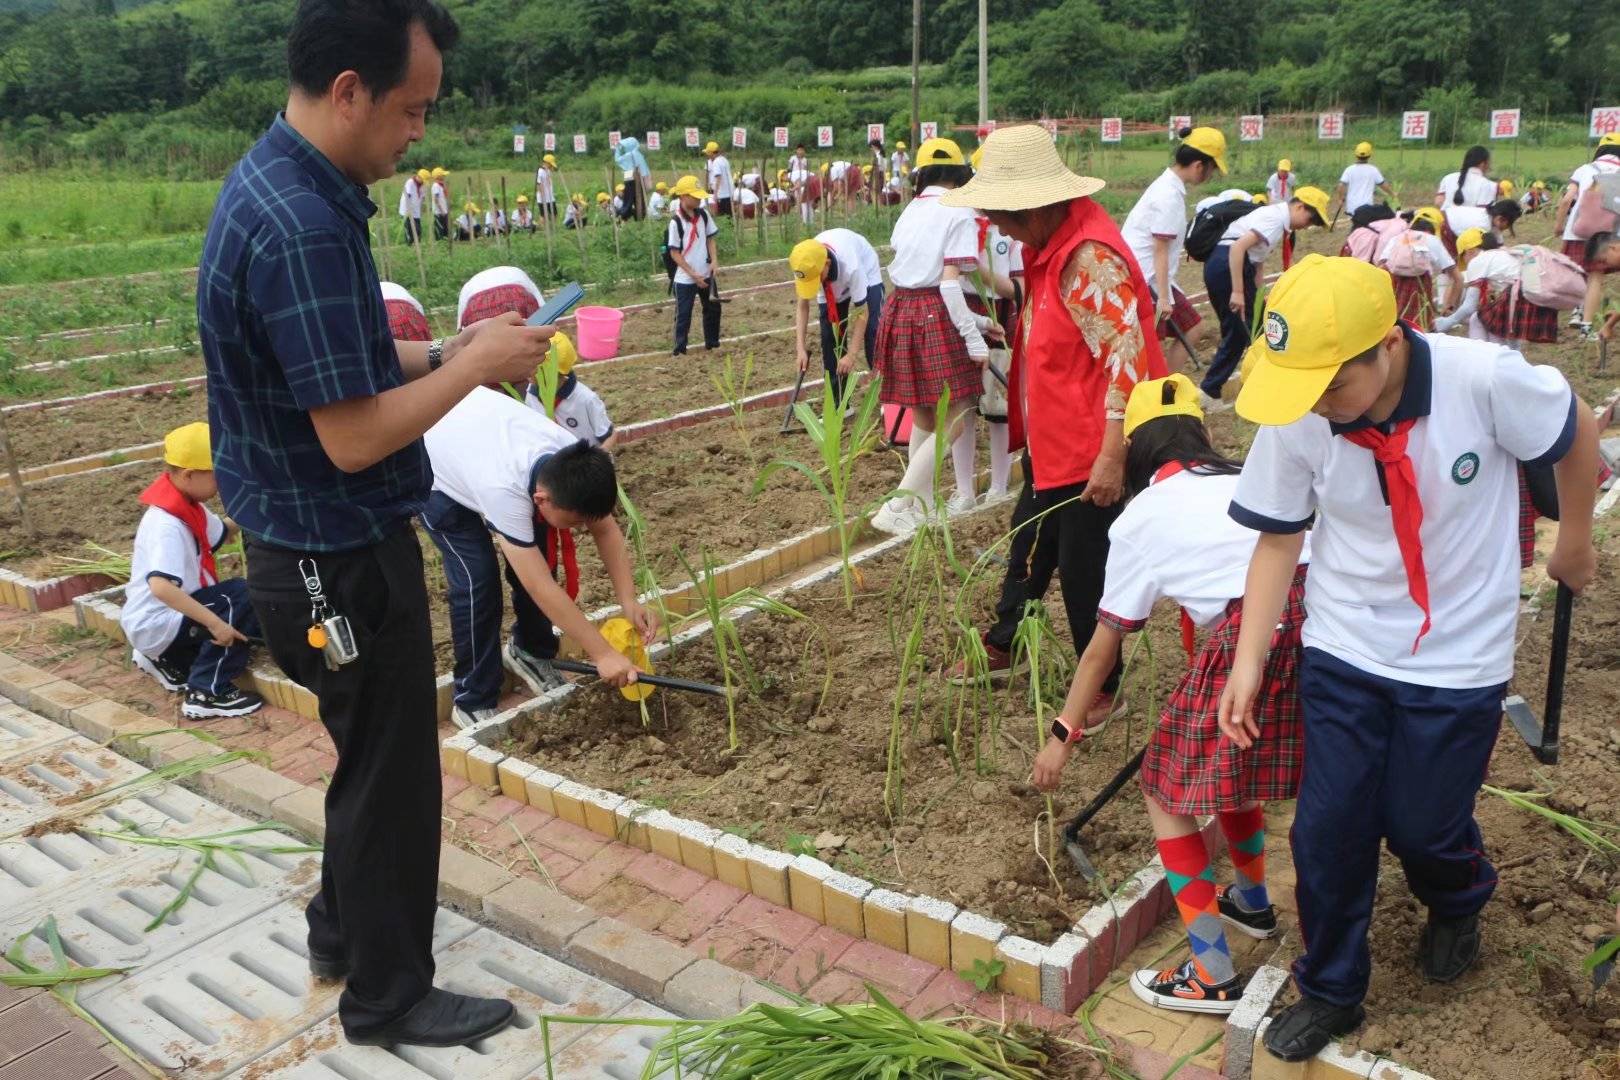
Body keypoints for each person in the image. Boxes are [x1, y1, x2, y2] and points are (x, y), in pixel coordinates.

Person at [198, 0, 560, 1048]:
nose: (418, 133)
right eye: (413, 109)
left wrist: (449, 351)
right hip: (336, 556)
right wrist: (475, 372)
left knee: (367, 757)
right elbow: (354, 435)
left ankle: (339, 932)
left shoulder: (285, 181)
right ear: (350, 90)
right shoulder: (304, 225)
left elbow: (345, 360)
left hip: (305, 544)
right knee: (393, 773)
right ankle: (388, 996)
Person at [1221, 254, 1598, 1062]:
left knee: (1424, 825)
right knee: (1327, 830)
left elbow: (1576, 429)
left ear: (1389, 343)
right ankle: (1331, 987)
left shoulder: (1482, 380)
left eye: (1334, 386)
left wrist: (1574, 538)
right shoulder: (1299, 406)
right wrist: (1248, 660)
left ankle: (1458, 896)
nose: (1318, 404)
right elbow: (1279, 537)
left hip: (1459, 653)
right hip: (1345, 641)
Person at [1033, 374, 1310, 1014]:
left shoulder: (1141, 517)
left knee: (1164, 789)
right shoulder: (1245, 476)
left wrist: (1061, 737)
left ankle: (1211, 971)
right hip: (1326, 626)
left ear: (1133, 449)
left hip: (1252, 633)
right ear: (1199, 433)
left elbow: (1102, 648)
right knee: (1234, 758)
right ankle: (1252, 901)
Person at [939, 124, 1169, 720]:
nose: (998, 227)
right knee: (1031, 543)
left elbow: (1128, 362)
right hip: (1056, 440)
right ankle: (1006, 640)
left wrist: (1112, 454)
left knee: (1085, 566)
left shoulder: (1089, 259)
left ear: (1034, 206)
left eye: (1002, 216)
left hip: (1093, 446)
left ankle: (1105, 686)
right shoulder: (1051, 247)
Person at [422, 386, 649, 726]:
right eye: (574, 522)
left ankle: (530, 651)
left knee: (541, 554)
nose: (580, 530)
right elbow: (538, 585)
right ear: (541, 499)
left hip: (476, 437)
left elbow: (605, 529)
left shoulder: (572, 461)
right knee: (478, 578)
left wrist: (628, 600)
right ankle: (472, 697)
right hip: (436, 470)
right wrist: (602, 653)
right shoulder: (503, 490)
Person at [869, 136, 998, 531]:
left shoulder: (912, 209)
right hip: (933, 311)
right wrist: (974, 339)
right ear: (960, 173)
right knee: (959, 412)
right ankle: (897, 505)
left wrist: (979, 324)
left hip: (901, 308)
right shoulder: (959, 211)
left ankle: (920, 506)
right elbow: (948, 285)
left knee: (925, 411)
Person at [123, 422, 265, 720]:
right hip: (156, 620)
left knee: (242, 609)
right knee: (238, 599)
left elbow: (222, 532)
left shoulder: (185, 505)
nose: (222, 483)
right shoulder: (166, 525)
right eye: (217, 475)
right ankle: (207, 691)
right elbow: (161, 587)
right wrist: (216, 624)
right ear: (189, 475)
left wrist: (256, 507)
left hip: (163, 618)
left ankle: (167, 658)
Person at [1202, 187, 1331, 407]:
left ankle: (1264, 379)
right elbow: (1237, 248)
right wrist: (1238, 291)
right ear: (1300, 207)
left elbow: (1257, 263)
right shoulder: (1274, 219)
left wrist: (1260, 296)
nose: (1308, 226)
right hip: (1227, 265)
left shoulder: (1276, 221)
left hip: (1233, 267)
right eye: (1311, 219)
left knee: (1257, 327)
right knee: (1239, 332)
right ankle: (1210, 391)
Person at [1121, 126, 1224, 374]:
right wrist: (1164, 299)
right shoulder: (1168, 195)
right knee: (1154, 344)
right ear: (1199, 165)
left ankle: (1165, 384)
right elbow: (1160, 249)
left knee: (1189, 329)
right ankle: (1161, 389)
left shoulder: (1169, 187)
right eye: (1212, 169)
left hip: (1150, 276)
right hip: (1146, 280)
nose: (1211, 175)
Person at [790, 231, 885, 407]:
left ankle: (886, 395)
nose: (815, 284)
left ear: (826, 264)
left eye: (817, 279)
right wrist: (800, 349)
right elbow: (802, 305)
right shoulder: (805, 264)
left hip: (866, 271)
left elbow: (862, 312)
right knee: (829, 340)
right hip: (832, 284)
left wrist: (851, 355)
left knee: (874, 332)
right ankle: (839, 405)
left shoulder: (852, 266)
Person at [1434, 228, 1563, 346]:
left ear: (1469, 251)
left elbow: (1469, 306)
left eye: (1464, 259)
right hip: (1538, 297)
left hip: (1521, 297)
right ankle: (1504, 356)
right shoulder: (1503, 253)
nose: (1466, 264)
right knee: (1491, 323)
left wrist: (1447, 322)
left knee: (1480, 320)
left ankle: (1483, 355)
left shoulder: (1478, 261)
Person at [1553, 135, 1620, 336]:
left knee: (1572, 273)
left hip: (1577, 229)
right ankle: (1586, 327)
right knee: (1595, 279)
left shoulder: (1585, 169)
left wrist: (1558, 225)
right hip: (1608, 234)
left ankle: (1569, 313)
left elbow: (1566, 200)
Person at [524, 332, 616, 449]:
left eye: (534, 367)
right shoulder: (531, 394)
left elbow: (610, 436)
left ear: (553, 372)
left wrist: (596, 457)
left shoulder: (585, 399)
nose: (528, 371)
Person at [1377, 207, 1459, 330]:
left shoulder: (1396, 238)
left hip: (1393, 287)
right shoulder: (1432, 240)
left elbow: (1380, 266)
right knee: (1419, 326)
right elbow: (1458, 279)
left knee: (1393, 324)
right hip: (1419, 289)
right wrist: (1449, 306)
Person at [667, 175, 721, 355]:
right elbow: (674, 253)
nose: (699, 200)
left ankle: (712, 344)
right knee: (683, 314)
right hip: (685, 278)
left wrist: (714, 260)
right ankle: (679, 350)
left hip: (706, 273)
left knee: (713, 308)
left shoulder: (704, 215)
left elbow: (710, 239)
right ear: (683, 196)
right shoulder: (676, 222)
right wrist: (692, 274)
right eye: (695, 196)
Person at [1436, 145, 1496, 255]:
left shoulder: (1448, 178)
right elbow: (1484, 216)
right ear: (1483, 164)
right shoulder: (1489, 185)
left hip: (1444, 228)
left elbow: (1438, 201)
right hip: (1469, 236)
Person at [458, 266, 542, 334]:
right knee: (536, 333)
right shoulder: (517, 273)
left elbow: (460, 332)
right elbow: (544, 312)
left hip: (476, 303)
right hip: (516, 293)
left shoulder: (468, 286)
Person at [1333, 142, 1393, 221]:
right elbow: (1383, 185)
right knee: (1365, 225)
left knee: (1355, 224)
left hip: (1352, 206)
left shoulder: (1349, 169)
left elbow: (1341, 185)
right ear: (1369, 155)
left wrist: (1340, 199)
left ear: (1356, 154)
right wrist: (1392, 194)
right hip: (1366, 208)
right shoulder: (1373, 170)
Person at [1267, 158, 1297, 267]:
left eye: (1286, 171)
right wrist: (1270, 202)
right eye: (1282, 170)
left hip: (1287, 204)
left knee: (1291, 229)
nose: (1284, 173)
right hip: (1276, 204)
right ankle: (1269, 247)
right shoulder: (1273, 179)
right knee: (1274, 228)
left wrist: (1293, 202)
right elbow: (1269, 192)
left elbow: (1293, 189)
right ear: (1278, 169)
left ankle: (1290, 251)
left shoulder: (1292, 178)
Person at [703, 141, 735, 216]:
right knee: (729, 215)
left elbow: (718, 177)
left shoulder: (716, 162)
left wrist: (715, 194)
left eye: (708, 153)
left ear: (711, 153)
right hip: (729, 192)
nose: (707, 156)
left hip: (722, 194)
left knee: (723, 216)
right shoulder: (724, 160)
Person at [398, 166, 426, 243]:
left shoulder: (423, 185)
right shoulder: (410, 182)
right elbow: (408, 196)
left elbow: (423, 197)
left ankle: (417, 244)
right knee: (409, 229)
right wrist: (409, 209)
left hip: (416, 210)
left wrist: (422, 207)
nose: (423, 182)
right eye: (423, 180)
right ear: (419, 177)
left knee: (418, 229)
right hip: (407, 209)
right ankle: (409, 244)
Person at [534, 153, 557, 220]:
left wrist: (550, 168)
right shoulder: (540, 171)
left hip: (550, 197)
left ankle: (552, 225)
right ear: (546, 163)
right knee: (543, 215)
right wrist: (542, 195)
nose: (551, 166)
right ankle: (543, 226)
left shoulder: (548, 170)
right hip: (543, 198)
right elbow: (538, 184)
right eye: (550, 164)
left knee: (554, 214)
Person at [429, 166, 450, 239]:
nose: (444, 176)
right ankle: (439, 241)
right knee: (439, 228)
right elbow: (436, 199)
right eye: (443, 175)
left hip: (444, 210)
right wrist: (442, 210)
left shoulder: (442, 185)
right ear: (438, 176)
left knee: (445, 227)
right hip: (438, 212)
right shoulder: (436, 186)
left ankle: (445, 240)